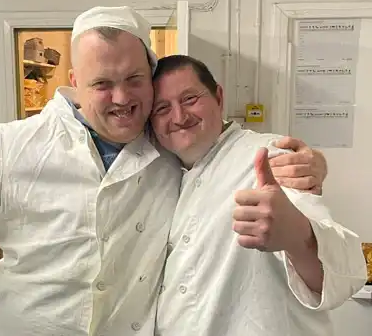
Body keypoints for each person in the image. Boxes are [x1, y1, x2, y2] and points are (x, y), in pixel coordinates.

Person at [0, 6, 327, 336]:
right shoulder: (14, 145)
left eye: (133, 79)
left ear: (151, 73)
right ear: (73, 81)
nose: (121, 98)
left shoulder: (168, 144)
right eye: (101, 84)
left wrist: (312, 163)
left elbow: (228, 145)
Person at [151, 55, 367, 336]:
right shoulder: (164, 171)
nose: (179, 117)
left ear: (218, 96)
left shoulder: (270, 157)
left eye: (190, 98)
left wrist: (299, 236)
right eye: (162, 108)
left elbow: (345, 274)